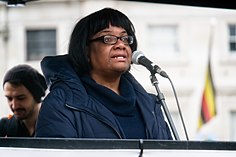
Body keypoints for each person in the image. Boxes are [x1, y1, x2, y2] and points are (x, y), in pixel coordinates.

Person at [36, 7, 173, 139]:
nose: (121, 45)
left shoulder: (150, 105)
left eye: (125, 38)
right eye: (108, 38)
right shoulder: (61, 103)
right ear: (85, 50)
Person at [0, 64, 47, 137]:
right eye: (9, 98)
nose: (14, 105)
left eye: (21, 98)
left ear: (36, 96)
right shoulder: (4, 128)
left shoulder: (58, 126)